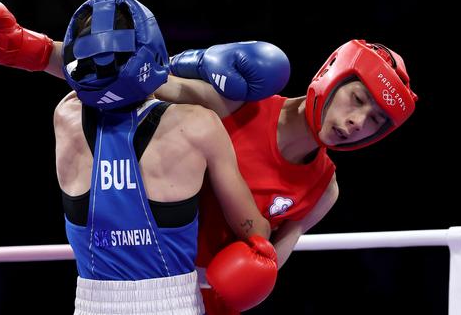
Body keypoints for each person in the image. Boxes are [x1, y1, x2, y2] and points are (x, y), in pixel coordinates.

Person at [0, 0, 279, 314]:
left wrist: (21, 46)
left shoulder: (65, 116)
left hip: (91, 304)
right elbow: (255, 232)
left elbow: (88, 77)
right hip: (175, 304)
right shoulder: (199, 126)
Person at [156, 38, 419, 314]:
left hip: (210, 301)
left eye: (376, 120)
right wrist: (192, 61)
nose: (359, 122)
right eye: (357, 99)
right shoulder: (242, 106)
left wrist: (247, 280)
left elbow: (266, 263)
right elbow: (146, 83)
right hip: (143, 270)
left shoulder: (324, 189)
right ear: (333, 74)